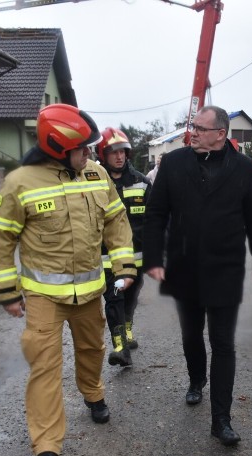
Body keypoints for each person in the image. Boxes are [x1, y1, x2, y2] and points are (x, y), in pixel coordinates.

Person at [0, 104, 136, 456]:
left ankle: (93, 393)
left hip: (88, 293)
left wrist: (125, 265)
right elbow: (1, 241)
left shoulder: (96, 175)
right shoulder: (20, 182)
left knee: (92, 348)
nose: (90, 153)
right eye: (83, 147)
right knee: (44, 367)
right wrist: (7, 292)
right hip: (43, 298)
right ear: (58, 147)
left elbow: (116, 221)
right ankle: (47, 447)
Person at [143, 105, 252, 446]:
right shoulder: (172, 164)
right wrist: (154, 258)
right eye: (192, 127)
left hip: (225, 268)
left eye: (200, 128)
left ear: (220, 133)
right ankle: (196, 378)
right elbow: (155, 215)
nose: (193, 133)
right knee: (191, 335)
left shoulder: (244, 168)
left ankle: (221, 420)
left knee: (224, 344)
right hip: (183, 266)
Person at [96, 127, 150, 368]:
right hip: (108, 259)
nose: (119, 157)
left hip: (138, 257)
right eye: (113, 152)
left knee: (131, 297)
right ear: (103, 154)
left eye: (122, 152)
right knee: (114, 298)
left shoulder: (141, 182)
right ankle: (120, 347)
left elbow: (156, 219)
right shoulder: (94, 183)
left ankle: (127, 327)